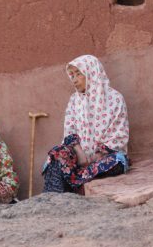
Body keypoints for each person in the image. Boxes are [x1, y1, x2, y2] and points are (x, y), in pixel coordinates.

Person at [42, 55, 130, 193]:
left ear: (92, 72)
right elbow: (70, 130)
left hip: (104, 157)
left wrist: (98, 155)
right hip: (79, 156)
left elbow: (119, 134)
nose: (74, 80)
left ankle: (73, 182)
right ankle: (53, 198)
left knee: (115, 161)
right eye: (72, 75)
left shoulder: (115, 99)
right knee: (57, 154)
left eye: (78, 74)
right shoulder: (74, 101)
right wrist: (79, 153)